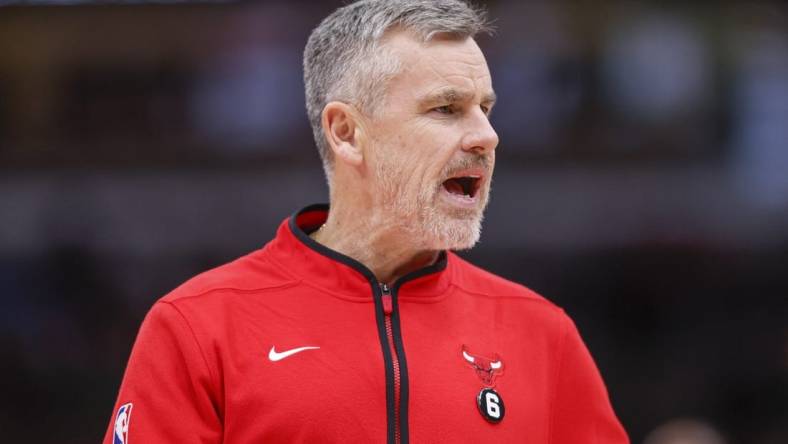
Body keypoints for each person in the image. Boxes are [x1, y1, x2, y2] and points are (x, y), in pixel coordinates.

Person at [104, 1, 629, 443]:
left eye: (485, 109)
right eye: (446, 109)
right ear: (347, 132)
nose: (486, 136)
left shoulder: (543, 334)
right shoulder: (197, 327)